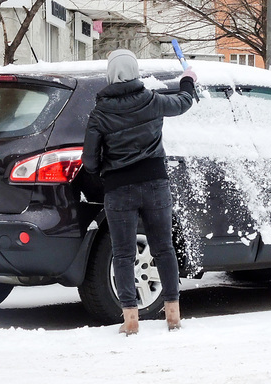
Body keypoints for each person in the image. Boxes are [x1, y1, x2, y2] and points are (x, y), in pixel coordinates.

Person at [82, 49, 196, 335]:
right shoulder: (151, 101)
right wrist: (188, 80)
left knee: (122, 254)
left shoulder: (100, 113)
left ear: (111, 74)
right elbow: (183, 103)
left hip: (119, 190)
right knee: (164, 248)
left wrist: (103, 172)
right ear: (134, 72)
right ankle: (173, 314)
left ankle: (130, 318)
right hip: (155, 184)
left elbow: (89, 161)